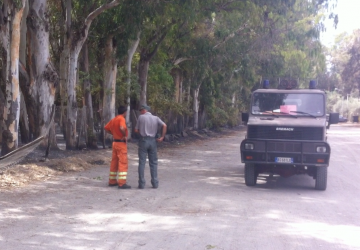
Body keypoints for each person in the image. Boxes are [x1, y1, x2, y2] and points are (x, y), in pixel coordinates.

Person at [134, 104, 167, 189]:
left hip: (143, 140)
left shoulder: (141, 117)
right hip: (153, 141)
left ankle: (141, 184)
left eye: (141, 110)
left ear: (144, 110)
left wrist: (141, 131)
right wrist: (162, 137)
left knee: (142, 162)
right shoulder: (156, 118)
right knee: (153, 163)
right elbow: (164, 125)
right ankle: (155, 183)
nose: (141, 112)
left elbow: (136, 130)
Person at [104, 106, 131, 189]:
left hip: (115, 142)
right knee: (123, 162)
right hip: (121, 143)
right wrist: (124, 135)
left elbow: (106, 128)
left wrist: (113, 133)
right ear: (125, 112)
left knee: (114, 162)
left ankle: (112, 181)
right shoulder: (121, 119)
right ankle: (122, 183)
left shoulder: (114, 119)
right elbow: (122, 127)